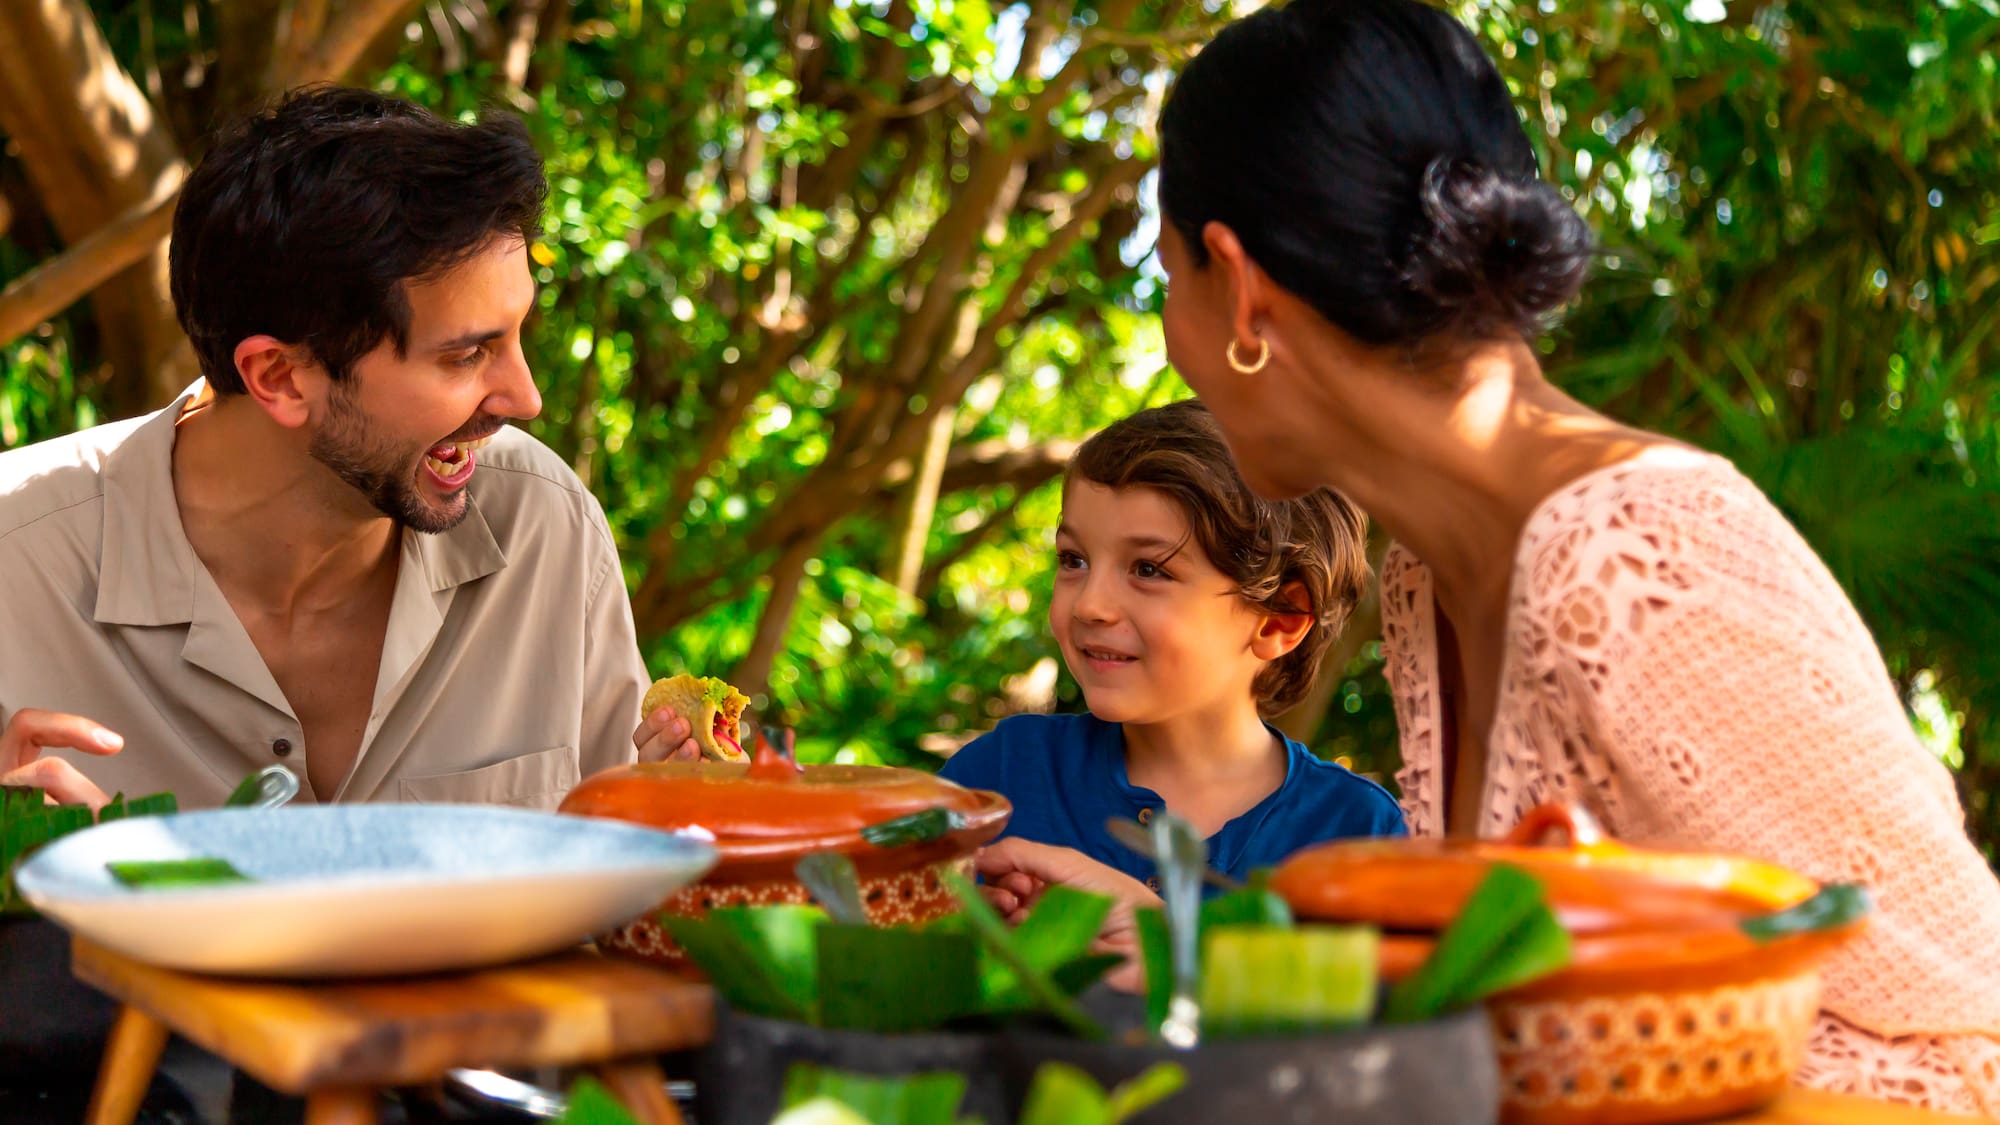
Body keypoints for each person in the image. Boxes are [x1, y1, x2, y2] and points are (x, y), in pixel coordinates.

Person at [1095, 0, 1998, 1111]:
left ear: (1236, 288)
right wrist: (1194, 958)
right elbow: (1528, 988)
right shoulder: (1432, 564)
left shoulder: (1638, 562)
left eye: (1169, 277)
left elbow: (1974, 1049)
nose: (1170, 338)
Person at [0, 86, 705, 812]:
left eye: (516, 334)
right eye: (466, 355)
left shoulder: (545, 529)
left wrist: (677, 822)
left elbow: (625, 883)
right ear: (278, 376)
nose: (524, 399)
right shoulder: (14, 569)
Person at [945, 401, 1405, 961]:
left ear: (1279, 619)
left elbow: (1372, 1039)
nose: (1090, 605)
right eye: (1073, 560)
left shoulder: (1358, 831)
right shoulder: (998, 774)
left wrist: (1166, 945)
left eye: (1149, 570)